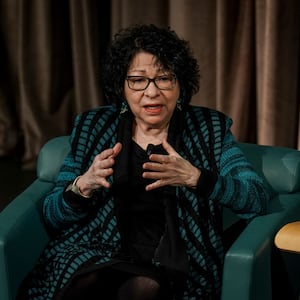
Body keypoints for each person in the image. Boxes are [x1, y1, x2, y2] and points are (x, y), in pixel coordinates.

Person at [17, 24, 270, 300]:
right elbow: (52, 216)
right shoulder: (94, 127)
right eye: (138, 80)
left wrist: (198, 178)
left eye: (164, 78)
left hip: (176, 259)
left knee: (144, 289)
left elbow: (256, 198)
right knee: (85, 282)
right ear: (121, 86)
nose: (151, 92)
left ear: (180, 85)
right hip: (98, 250)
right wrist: (83, 186)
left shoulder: (210, 130)